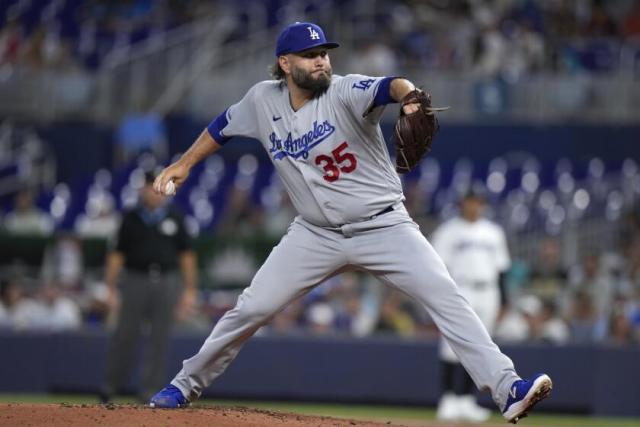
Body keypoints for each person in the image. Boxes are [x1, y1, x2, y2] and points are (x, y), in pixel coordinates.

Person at [149, 22, 552, 423]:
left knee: (446, 296)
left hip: (384, 226)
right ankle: (184, 384)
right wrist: (184, 163)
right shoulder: (262, 101)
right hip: (314, 234)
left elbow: (391, 85)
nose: (322, 60)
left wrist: (409, 96)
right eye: (311, 55)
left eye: (324, 52)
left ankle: (507, 387)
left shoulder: (345, 90)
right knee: (250, 308)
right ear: (285, 63)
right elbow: (221, 126)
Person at [100, 171, 197, 403]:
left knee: (160, 338)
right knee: (125, 334)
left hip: (166, 280)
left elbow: (187, 256)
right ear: (143, 190)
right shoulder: (132, 217)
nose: (154, 194)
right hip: (135, 278)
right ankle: (110, 387)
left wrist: (190, 289)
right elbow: (117, 254)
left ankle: (148, 391)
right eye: (149, 188)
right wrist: (110, 286)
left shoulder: (175, 217)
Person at [431, 191, 511, 422]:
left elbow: (502, 269)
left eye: (478, 201)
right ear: (462, 204)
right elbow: (436, 266)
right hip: (460, 289)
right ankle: (447, 399)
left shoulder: (493, 232)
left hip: (489, 291)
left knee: (479, 346)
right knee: (450, 345)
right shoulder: (449, 231)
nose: (474, 206)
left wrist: (505, 300)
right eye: (470, 201)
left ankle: (466, 400)